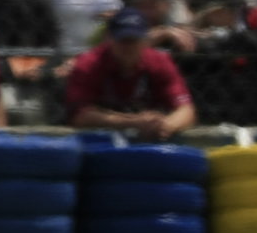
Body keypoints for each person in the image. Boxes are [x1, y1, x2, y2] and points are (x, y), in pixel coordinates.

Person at [66, 7, 196, 139]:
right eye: (123, 40)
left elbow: (186, 110)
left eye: (133, 40)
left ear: (145, 41)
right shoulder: (89, 63)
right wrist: (134, 122)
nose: (128, 47)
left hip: (151, 131)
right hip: (100, 139)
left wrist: (165, 125)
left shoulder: (159, 61)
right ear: (109, 39)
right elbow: (80, 116)